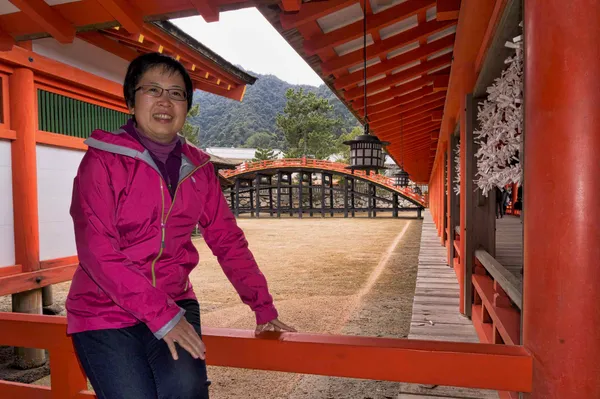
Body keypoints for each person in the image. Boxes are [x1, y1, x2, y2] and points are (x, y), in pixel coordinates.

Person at [66, 53, 295, 399]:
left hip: (174, 300)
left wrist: (262, 305)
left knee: (186, 391)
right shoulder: (102, 161)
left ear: (186, 107)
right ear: (131, 101)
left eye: (177, 93)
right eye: (153, 89)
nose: (165, 101)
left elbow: (227, 240)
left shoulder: (199, 168)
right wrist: (161, 316)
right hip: (103, 309)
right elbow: (98, 252)